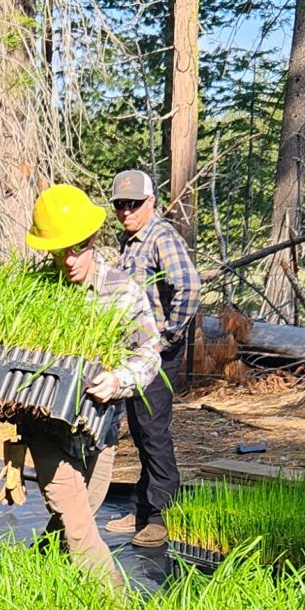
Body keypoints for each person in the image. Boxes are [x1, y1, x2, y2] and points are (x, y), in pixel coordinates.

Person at [15, 183, 162, 586]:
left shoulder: (122, 291)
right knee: (78, 521)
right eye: (58, 250)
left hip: (100, 427)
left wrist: (119, 380)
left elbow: (149, 352)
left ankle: (32, 577)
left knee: (79, 515)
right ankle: (116, 607)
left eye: (76, 247)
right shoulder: (31, 293)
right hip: (45, 426)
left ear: (93, 239)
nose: (68, 260)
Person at [107, 169, 197, 548]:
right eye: (120, 205)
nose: (127, 211)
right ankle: (144, 507)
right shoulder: (129, 242)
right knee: (141, 430)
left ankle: (160, 514)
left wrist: (167, 337)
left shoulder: (161, 237)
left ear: (151, 202)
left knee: (153, 430)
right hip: (134, 354)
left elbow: (189, 286)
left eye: (134, 204)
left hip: (156, 353)